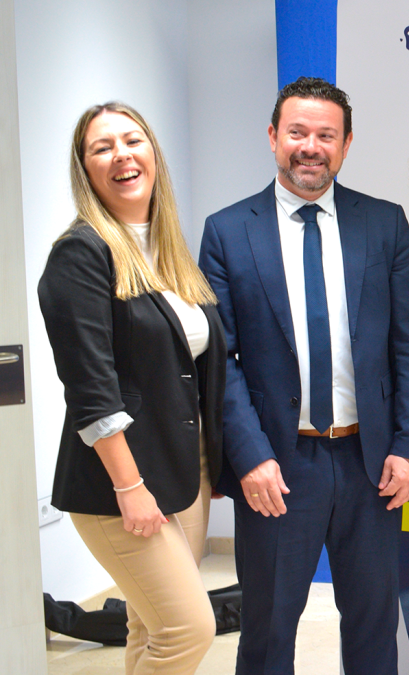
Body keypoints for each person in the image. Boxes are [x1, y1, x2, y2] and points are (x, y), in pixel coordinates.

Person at [198, 77, 409, 675]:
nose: (311, 146)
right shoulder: (227, 230)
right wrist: (249, 457)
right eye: (298, 132)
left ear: (347, 144)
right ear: (274, 137)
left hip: (370, 463)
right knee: (268, 631)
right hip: (277, 466)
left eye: (326, 135)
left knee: (374, 627)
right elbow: (217, 360)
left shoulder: (383, 223)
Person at [39, 102, 226, 674]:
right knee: (188, 630)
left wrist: (209, 462)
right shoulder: (81, 253)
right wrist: (129, 486)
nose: (121, 154)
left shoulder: (165, 251)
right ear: (86, 169)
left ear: (152, 153)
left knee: (149, 628)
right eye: (102, 147)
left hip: (181, 467)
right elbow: (91, 389)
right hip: (119, 482)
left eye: (132, 139)